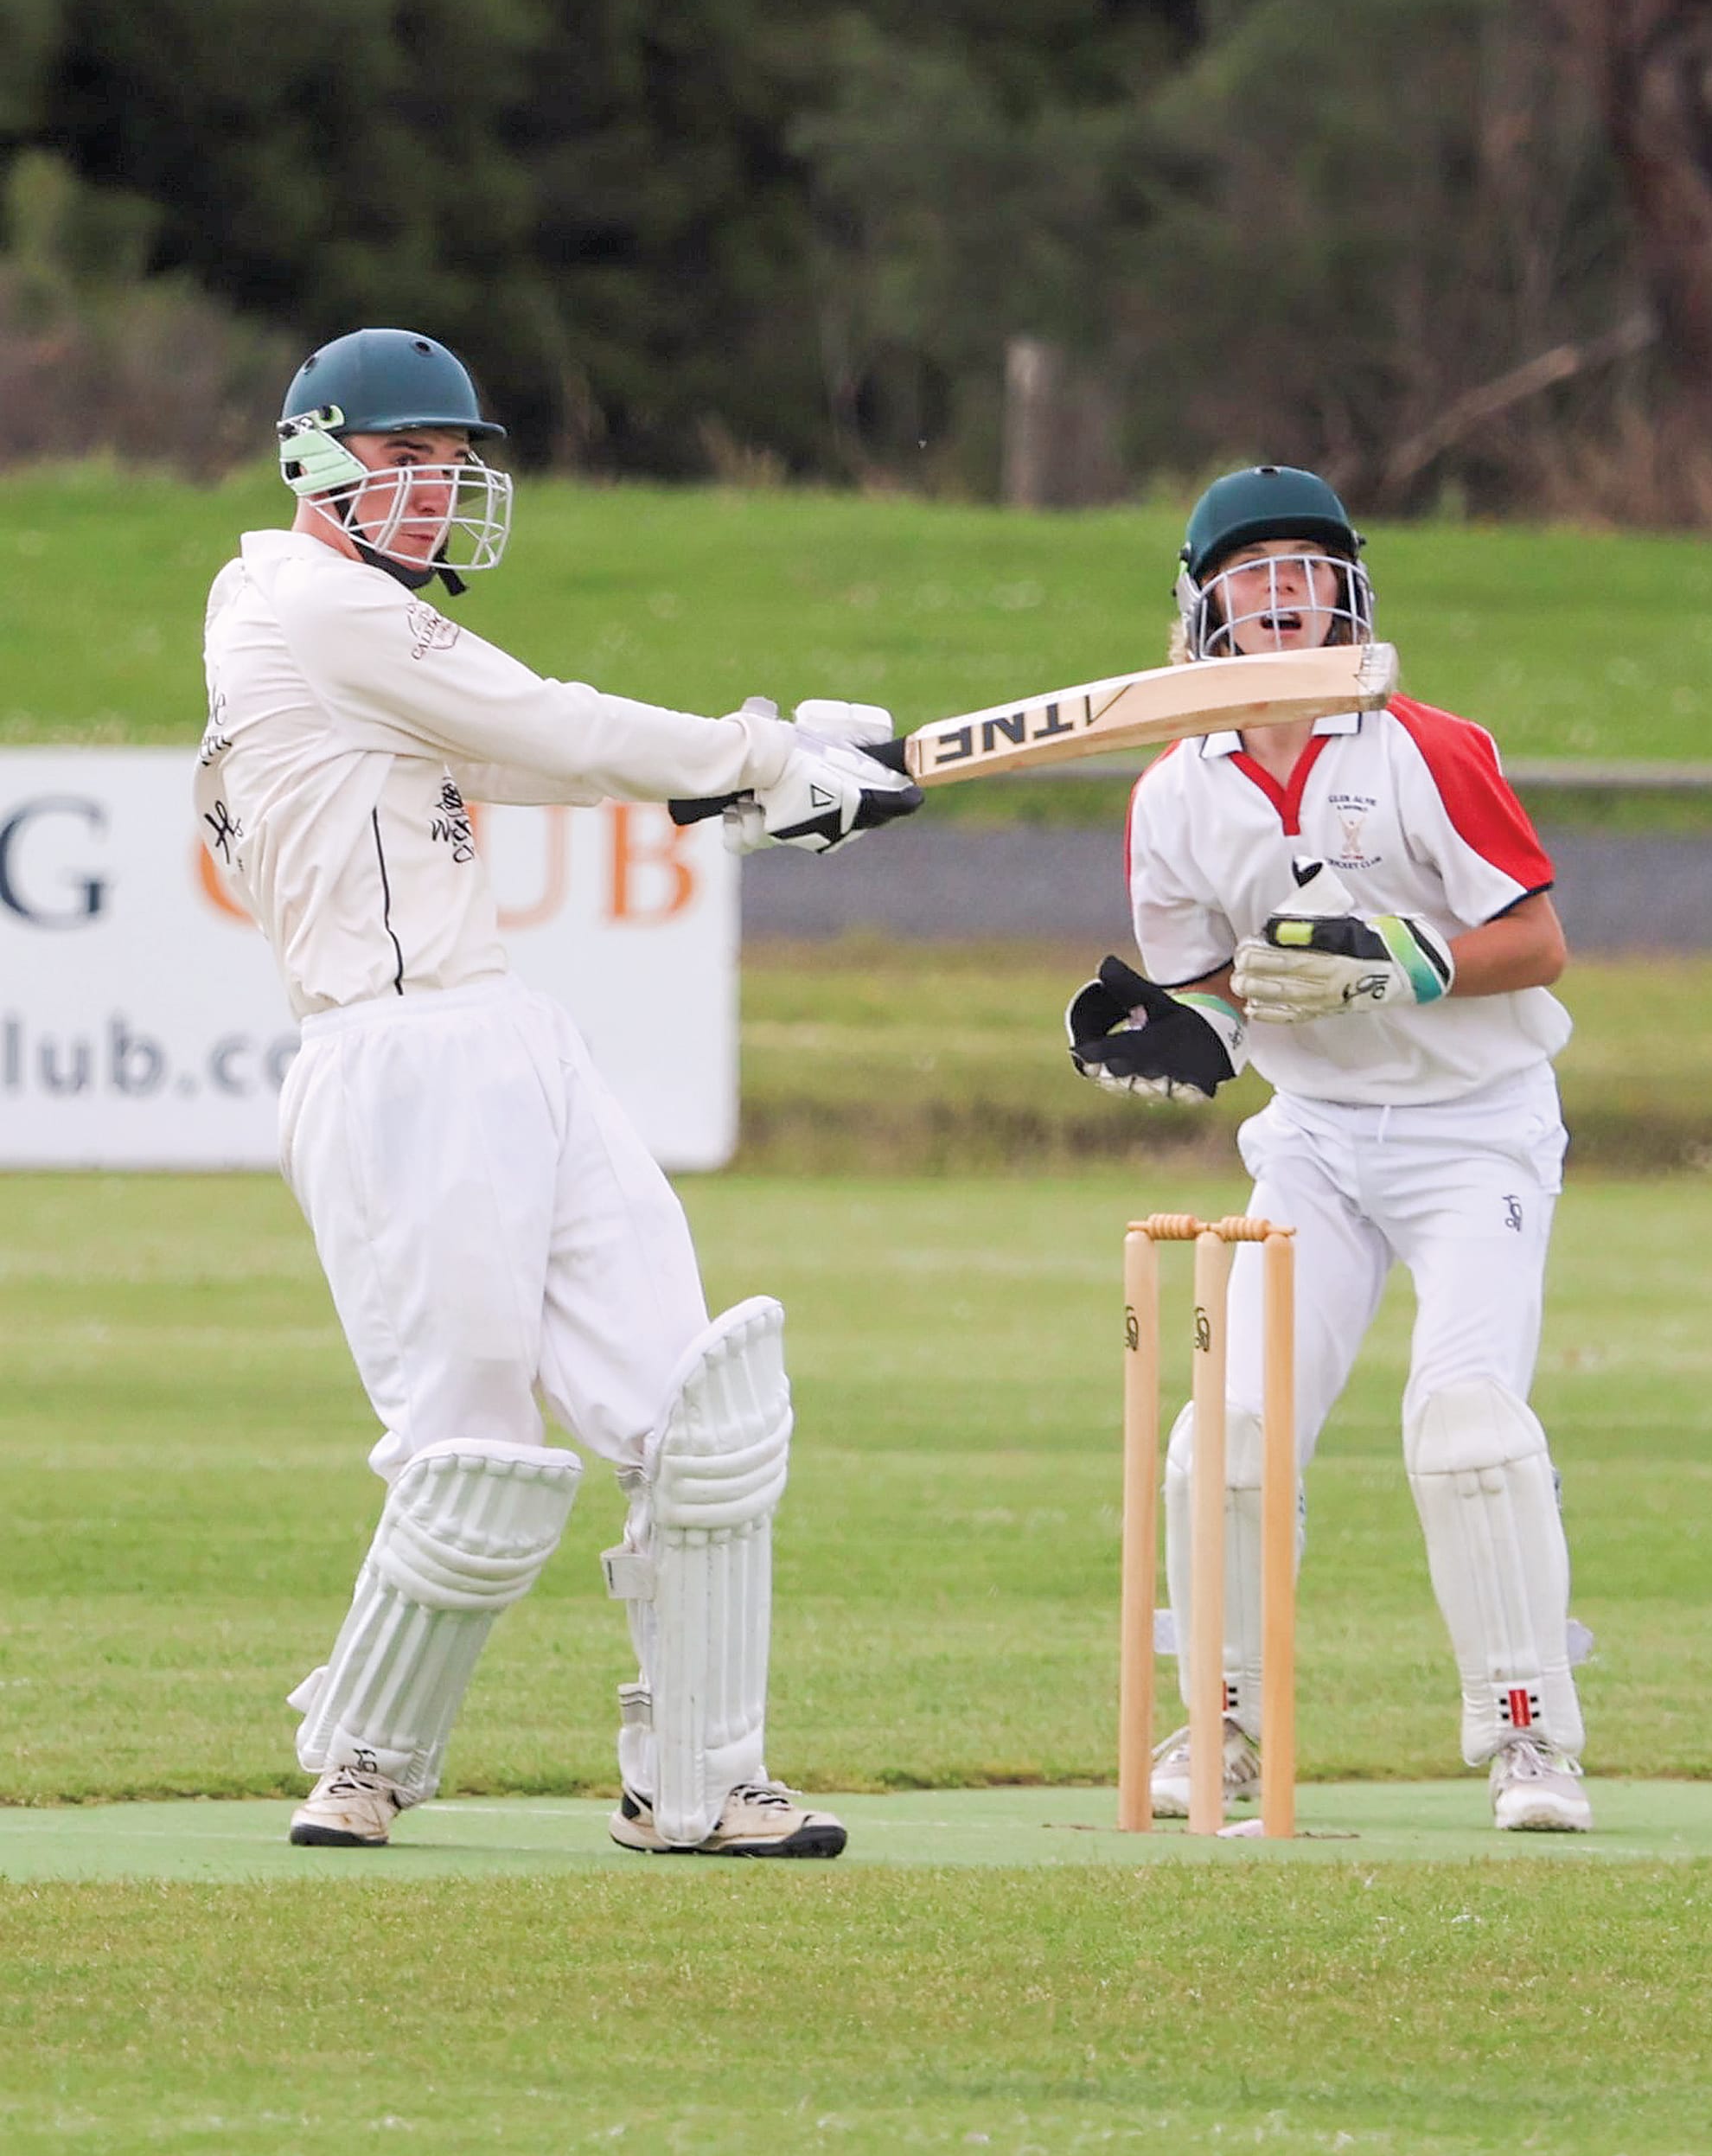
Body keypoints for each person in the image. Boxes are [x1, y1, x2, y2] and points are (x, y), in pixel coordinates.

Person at [196, 327, 920, 1856]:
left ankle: (701, 1784)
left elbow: (524, 761)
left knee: (695, 1419)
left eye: (453, 463)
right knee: (472, 1451)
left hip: (508, 1035)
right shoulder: (315, 603)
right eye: (404, 458)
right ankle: (365, 1759)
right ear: (313, 459)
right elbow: (551, 725)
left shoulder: (351, 634)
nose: (435, 488)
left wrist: (744, 775)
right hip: (392, 1063)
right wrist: (761, 756)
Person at [1065, 464, 1590, 1833]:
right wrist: (1184, 1031)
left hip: (1477, 1128)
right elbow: (1219, 982)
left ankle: (1530, 1734)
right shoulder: (1173, 793)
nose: (1284, 593)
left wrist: (1410, 966)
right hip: (1312, 1142)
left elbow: (1538, 941)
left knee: (1466, 1428)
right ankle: (1222, 1725)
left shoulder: (1427, 747)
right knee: (1224, 1436)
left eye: (1307, 567)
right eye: (1255, 573)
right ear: (1206, 609)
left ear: (1347, 591)